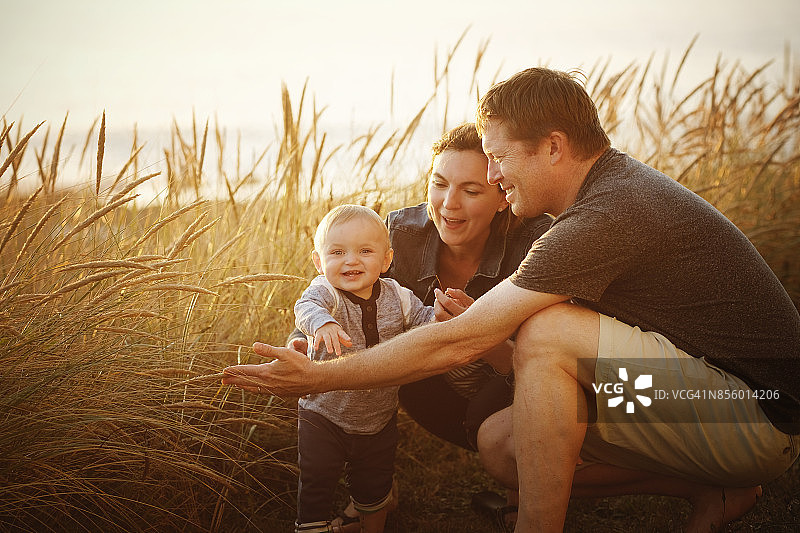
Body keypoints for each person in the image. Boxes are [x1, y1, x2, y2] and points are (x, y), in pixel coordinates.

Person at [224, 68, 800, 532]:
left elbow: (464, 338)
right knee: (506, 448)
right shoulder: (608, 192)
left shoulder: (607, 213)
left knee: (547, 332)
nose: (495, 175)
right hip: (697, 394)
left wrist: (319, 379)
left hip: (760, 414)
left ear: (553, 146)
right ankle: (711, 488)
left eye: (499, 158)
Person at [284, 123, 552, 529]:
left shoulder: (537, 244)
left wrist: (479, 333)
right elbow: (332, 288)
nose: (448, 204)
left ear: (502, 196)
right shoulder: (400, 235)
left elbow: (541, 365)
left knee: (494, 409)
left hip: (506, 384)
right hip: (426, 389)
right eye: (439, 183)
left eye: (471, 190)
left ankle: (522, 499)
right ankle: (375, 490)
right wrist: (308, 335)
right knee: (383, 352)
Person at [291, 204, 435, 533]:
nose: (351, 260)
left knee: (375, 485)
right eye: (337, 252)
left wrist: (441, 316)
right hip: (323, 415)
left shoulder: (397, 295)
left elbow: (423, 320)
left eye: (365, 251)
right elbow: (305, 306)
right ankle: (311, 525)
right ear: (319, 261)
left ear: (386, 260)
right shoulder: (326, 293)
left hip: (379, 416)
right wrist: (322, 323)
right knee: (317, 479)